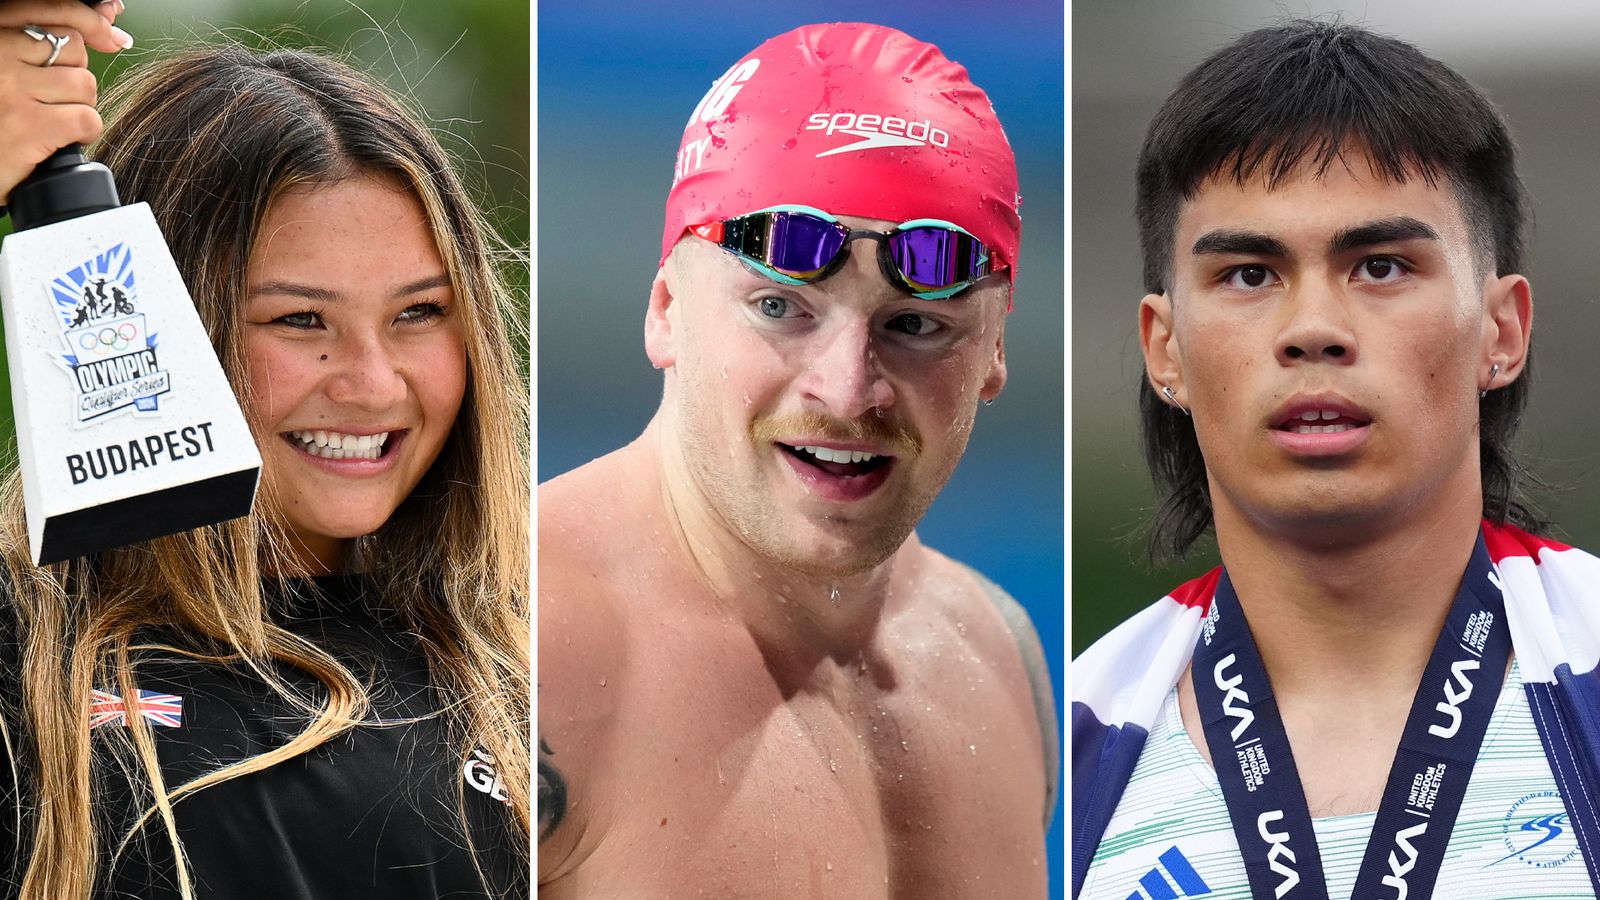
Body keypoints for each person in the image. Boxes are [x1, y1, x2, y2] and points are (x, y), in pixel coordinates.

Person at [0, 2, 529, 897]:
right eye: (299, 320)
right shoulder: (24, 654)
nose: (372, 383)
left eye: (419, 313)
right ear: (148, 325)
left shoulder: (541, 658)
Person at [1072, 18, 1600, 900]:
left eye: (1382, 266)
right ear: (1165, 351)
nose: (1314, 329)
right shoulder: (1069, 742)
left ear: (1501, 332)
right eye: (1248, 274)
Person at [538, 22, 1057, 898]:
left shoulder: (1000, 656)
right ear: (667, 309)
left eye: (916, 325)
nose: (849, 391)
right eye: (781, 308)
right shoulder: (521, 646)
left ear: (995, 349)